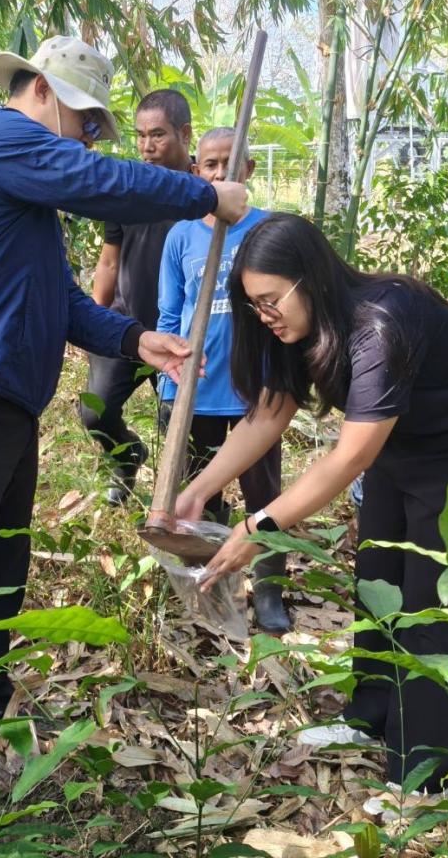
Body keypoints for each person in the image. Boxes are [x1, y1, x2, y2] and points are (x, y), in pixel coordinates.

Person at [0, 35, 249, 809]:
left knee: (0, 574)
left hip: (3, 407)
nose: (87, 140)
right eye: (87, 123)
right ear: (43, 91)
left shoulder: (28, 203)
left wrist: (136, 340)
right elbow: (98, 181)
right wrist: (203, 195)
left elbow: (66, 301)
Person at [176, 213, 448, 792]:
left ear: (309, 278)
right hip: (399, 448)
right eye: (254, 306)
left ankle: (417, 775)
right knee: (380, 581)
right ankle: (371, 717)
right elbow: (267, 415)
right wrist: (198, 490)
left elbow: (350, 455)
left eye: (270, 301)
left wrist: (260, 525)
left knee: (436, 608)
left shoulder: (383, 322)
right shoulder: (298, 328)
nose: (265, 316)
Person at [156, 127, 289, 633]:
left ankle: (270, 589)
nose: (219, 173)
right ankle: (209, 591)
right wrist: (170, 379)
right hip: (197, 390)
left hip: (255, 391)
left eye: (229, 163)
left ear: (248, 170)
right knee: (200, 498)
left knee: (264, 495)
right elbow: (170, 313)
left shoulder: (266, 230)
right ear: (196, 172)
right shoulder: (181, 235)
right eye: (209, 164)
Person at [79, 90, 194, 505]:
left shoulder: (205, 190)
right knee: (95, 412)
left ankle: (187, 506)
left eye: (158, 135)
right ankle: (126, 457)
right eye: (141, 136)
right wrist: (92, 321)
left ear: (185, 134)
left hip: (181, 332)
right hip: (126, 325)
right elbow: (110, 261)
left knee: (178, 427)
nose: (147, 146)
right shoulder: (127, 189)